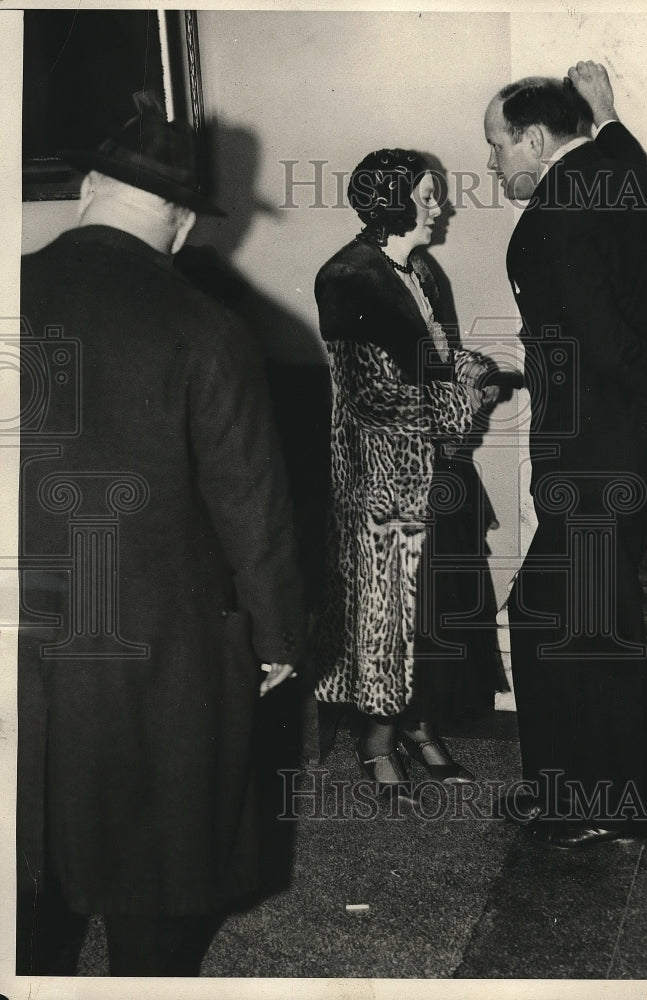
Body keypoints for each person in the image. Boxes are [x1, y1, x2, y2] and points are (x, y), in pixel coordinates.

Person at [17, 91, 306, 974]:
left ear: (87, 191)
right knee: (155, 866)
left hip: (18, 631)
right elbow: (251, 504)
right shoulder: (205, 328)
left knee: (24, 862)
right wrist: (277, 635)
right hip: (156, 642)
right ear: (181, 222)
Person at [485, 63, 647, 848]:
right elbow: (634, 175)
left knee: (582, 623)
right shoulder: (618, 182)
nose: (491, 164)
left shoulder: (559, 209)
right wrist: (608, 117)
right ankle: (567, 791)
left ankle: (602, 807)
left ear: (534, 138)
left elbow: (603, 338)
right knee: (552, 611)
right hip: (620, 444)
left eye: (495, 145)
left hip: (599, 447)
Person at [313, 148, 501, 800]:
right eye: (426, 195)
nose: (439, 206)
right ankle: (377, 739)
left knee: (436, 610)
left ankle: (421, 726)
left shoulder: (420, 268)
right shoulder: (349, 277)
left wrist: (463, 379)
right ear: (392, 201)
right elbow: (382, 398)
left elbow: (435, 368)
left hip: (435, 469)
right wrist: (471, 386)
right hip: (385, 479)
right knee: (387, 612)